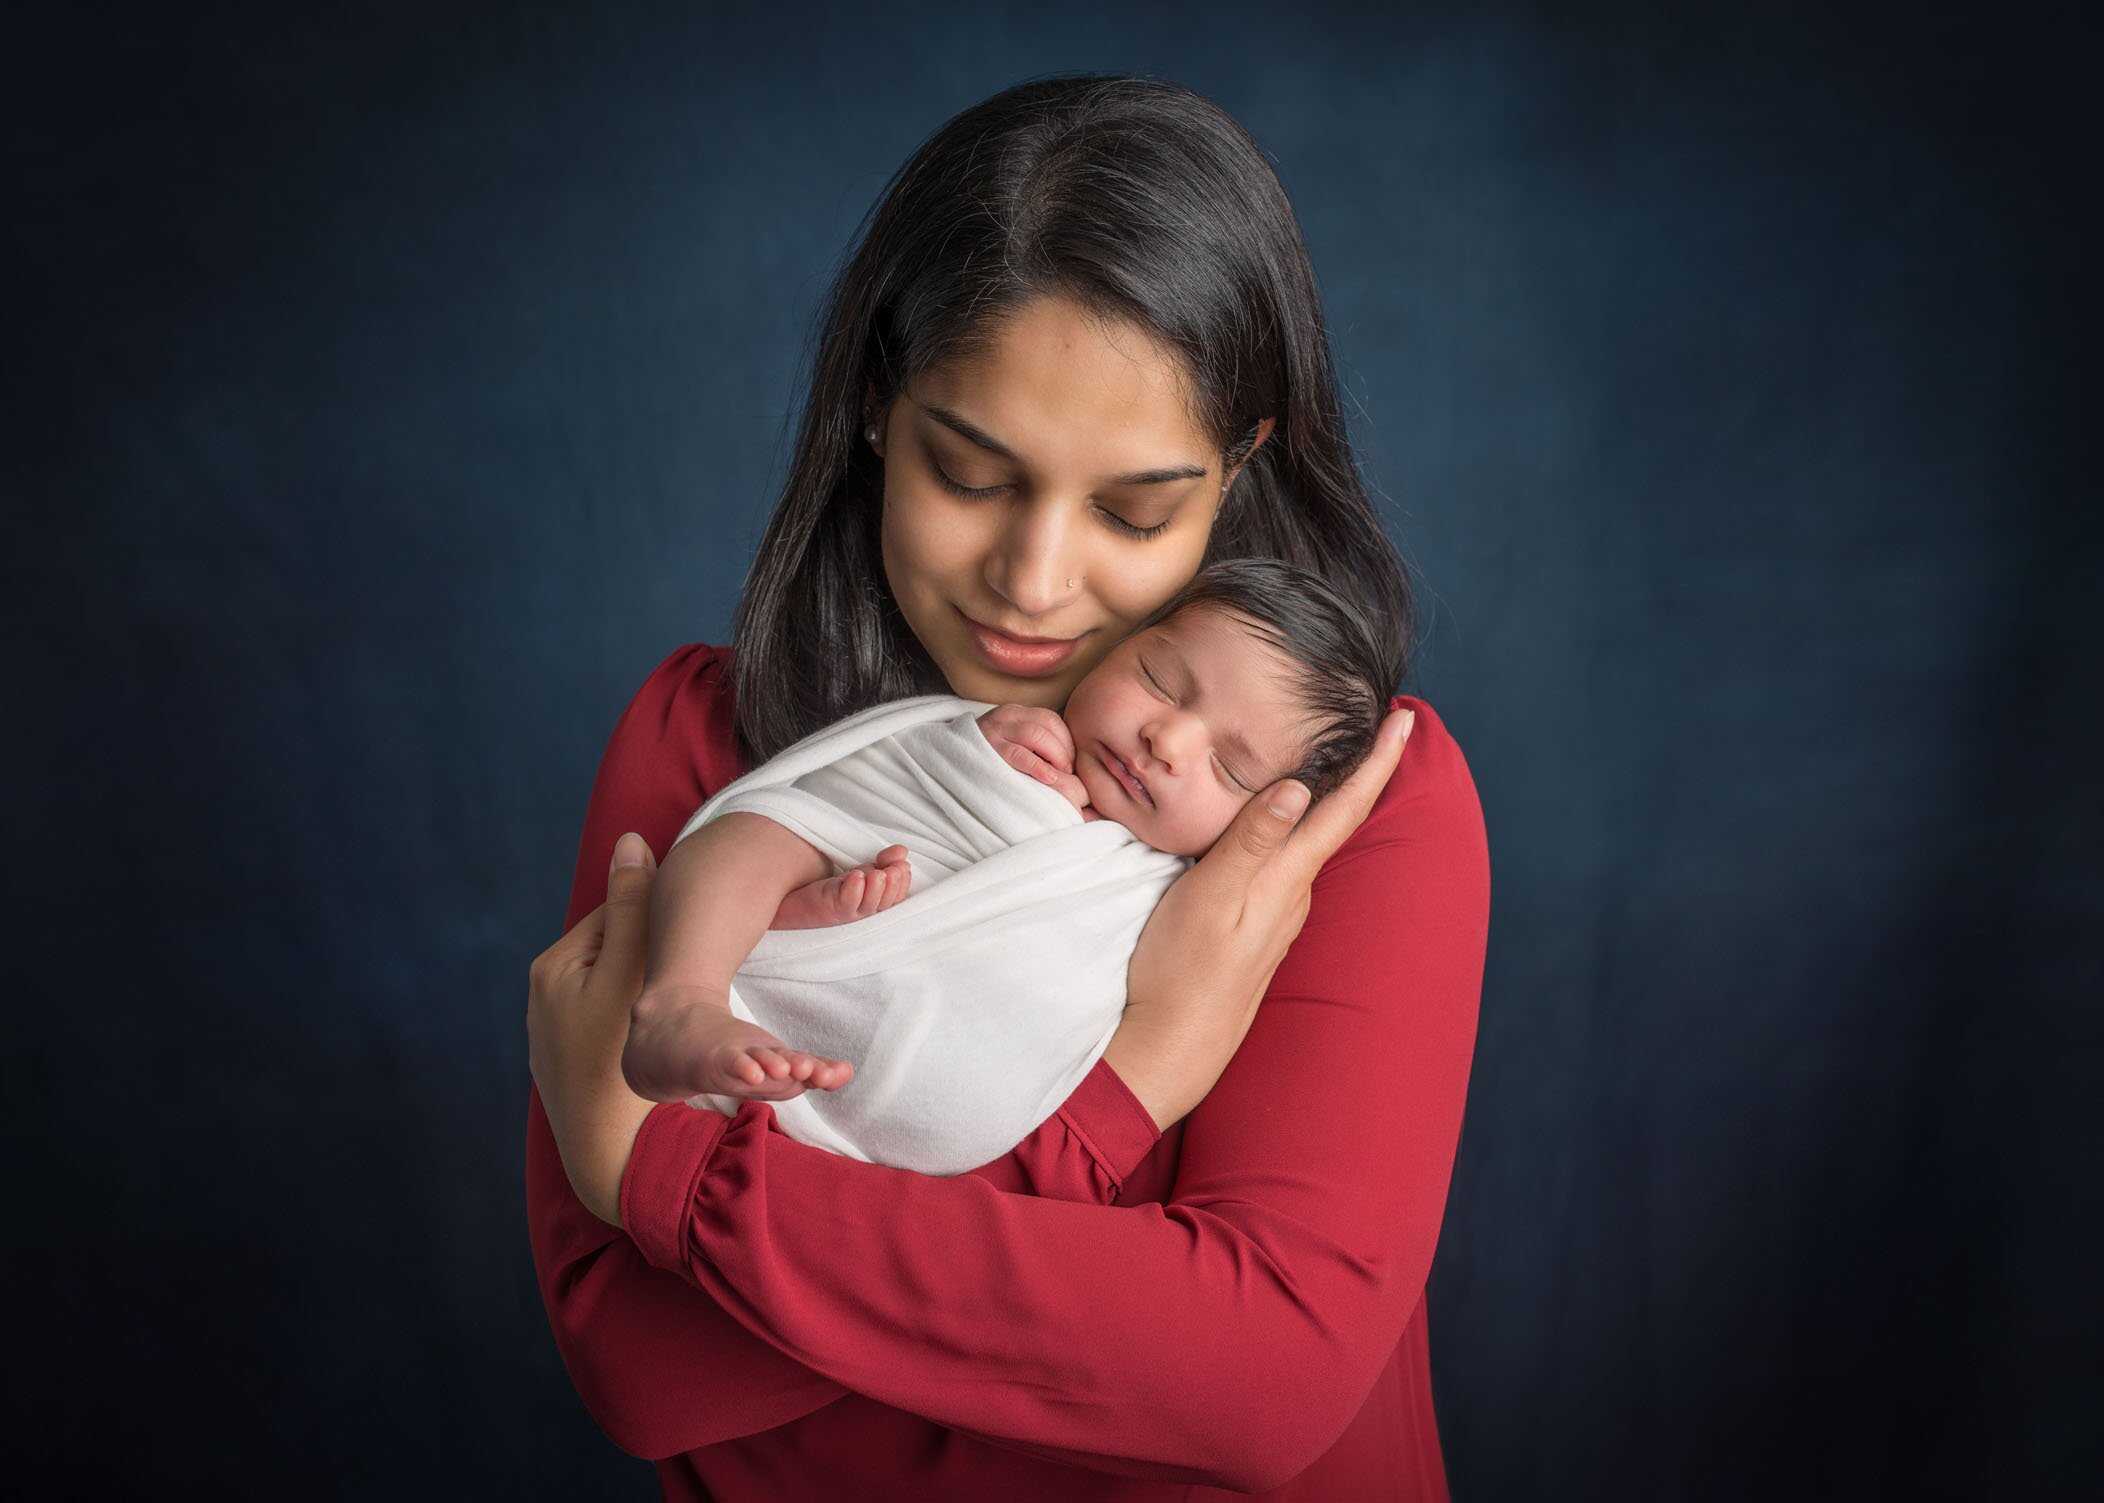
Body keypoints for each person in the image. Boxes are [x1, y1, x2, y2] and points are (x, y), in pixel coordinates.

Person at [525, 74, 1490, 1500]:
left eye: (1135, 509)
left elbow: (1261, 1372)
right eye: (968, 473)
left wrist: (659, 1176)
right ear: (874, 407)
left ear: (1240, 470)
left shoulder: (1347, 803)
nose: (1033, 582)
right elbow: (648, 1373)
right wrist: (1129, 1085)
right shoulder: (709, 747)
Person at [618, 560, 1410, 1183]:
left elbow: (1077, 999)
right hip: (802, 921)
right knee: (756, 835)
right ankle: (684, 994)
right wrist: (983, 753)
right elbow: (871, 789)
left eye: (1232, 769)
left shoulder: (1179, 894)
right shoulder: (1019, 733)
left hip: (910, 1112)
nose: (1168, 740)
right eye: (1159, 679)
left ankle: (789, 941)